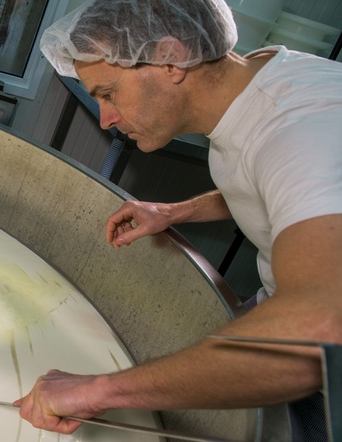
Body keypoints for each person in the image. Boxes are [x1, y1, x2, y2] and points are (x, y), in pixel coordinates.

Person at [17, 0, 342, 439]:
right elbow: (276, 185)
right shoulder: (261, 76)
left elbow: (319, 330)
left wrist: (96, 390)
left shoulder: (302, 129)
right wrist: (176, 211)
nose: (107, 119)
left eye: (109, 94)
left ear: (171, 59)